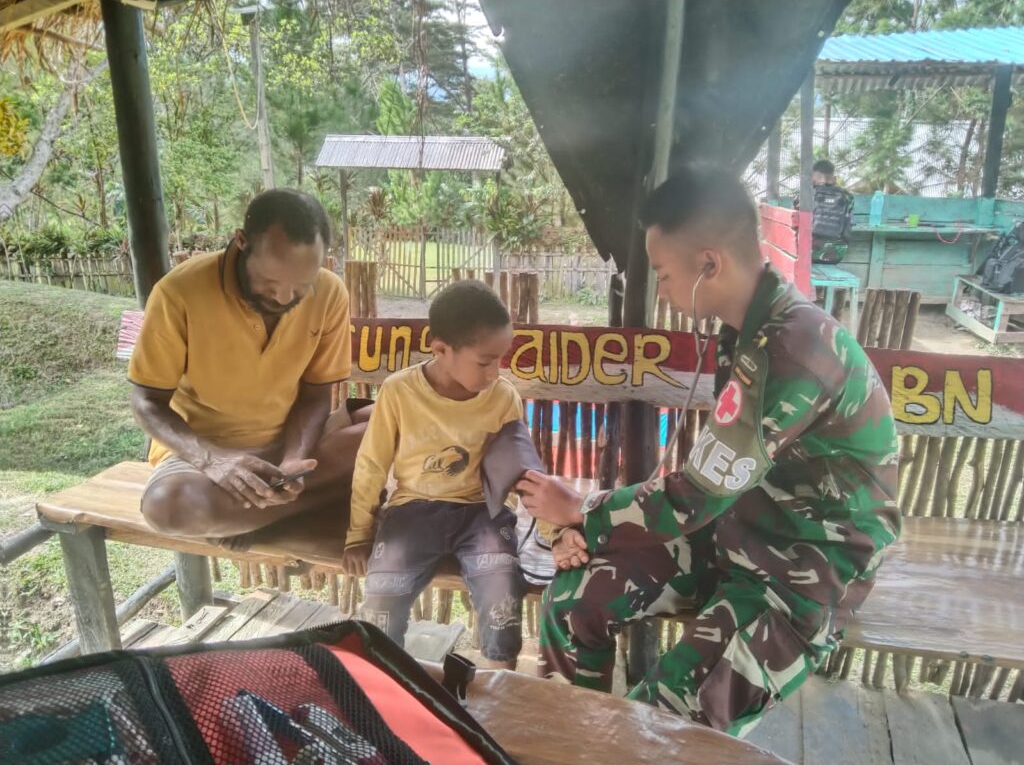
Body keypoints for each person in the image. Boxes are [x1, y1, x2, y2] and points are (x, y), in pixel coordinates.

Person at [516, 166, 900, 737]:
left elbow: (695, 495)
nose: (661, 290)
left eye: (664, 274)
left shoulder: (791, 350)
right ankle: (574, 740)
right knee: (569, 607)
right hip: (731, 529)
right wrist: (587, 529)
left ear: (710, 264)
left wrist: (581, 509)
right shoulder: (746, 330)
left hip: (801, 567)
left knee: (661, 728)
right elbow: (711, 486)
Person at [130, 189, 369, 547]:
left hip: (293, 445)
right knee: (169, 507)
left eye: (301, 286)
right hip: (206, 459)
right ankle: (317, 500)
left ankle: (257, 516)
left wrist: (294, 461)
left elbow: (316, 395)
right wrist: (212, 460)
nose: (284, 298)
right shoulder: (179, 292)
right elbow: (146, 401)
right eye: (270, 282)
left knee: (397, 424)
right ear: (241, 242)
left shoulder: (330, 293)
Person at [342, 280, 526, 669]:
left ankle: (501, 687)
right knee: (381, 603)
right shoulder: (399, 391)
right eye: (484, 361)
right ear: (440, 349)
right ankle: (387, 683)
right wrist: (359, 534)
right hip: (413, 511)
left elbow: (517, 466)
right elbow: (372, 464)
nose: (495, 373)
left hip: (482, 512)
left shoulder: (503, 397)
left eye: (500, 360)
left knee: (503, 595)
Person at [809, 159, 854, 263]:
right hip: (837, 254)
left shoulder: (807, 195)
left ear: (813, 177)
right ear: (833, 177)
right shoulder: (848, 196)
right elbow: (849, 224)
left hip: (808, 252)